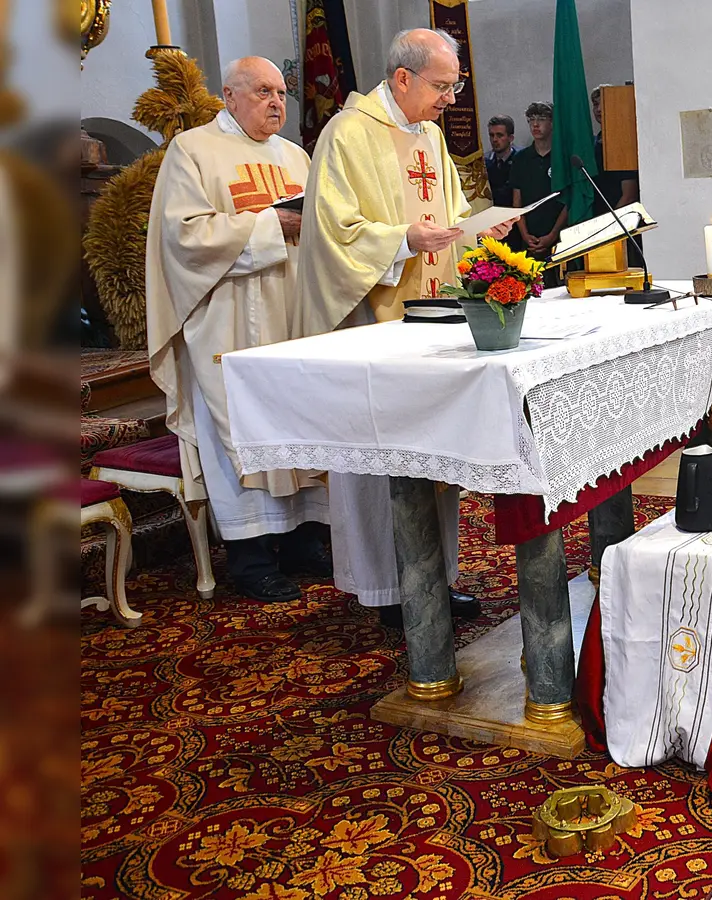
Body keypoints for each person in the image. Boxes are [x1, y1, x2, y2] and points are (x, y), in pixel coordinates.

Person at [293, 28, 514, 625]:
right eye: (443, 86)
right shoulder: (348, 134)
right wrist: (401, 240)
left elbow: (449, 213)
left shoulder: (431, 136)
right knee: (383, 448)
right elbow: (332, 230)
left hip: (434, 310)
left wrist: (477, 228)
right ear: (402, 78)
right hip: (377, 316)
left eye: (455, 84)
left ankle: (436, 579)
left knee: (432, 446)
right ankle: (389, 589)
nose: (450, 97)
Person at [145, 57, 331, 603]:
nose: (276, 102)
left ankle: (302, 542)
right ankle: (250, 557)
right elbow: (185, 235)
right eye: (262, 92)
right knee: (242, 433)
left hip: (293, 314)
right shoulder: (193, 151)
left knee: (297, 425)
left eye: (281, 93)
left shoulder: (295, 155)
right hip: (230, 318)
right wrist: (277, 224)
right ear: (229, 94)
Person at [510, 101, 567, 269]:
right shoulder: (521, 158)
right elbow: (516, 203)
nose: (535, 124)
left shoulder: (562, 158)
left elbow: (569, 201)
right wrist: (525, 235)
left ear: (552, 123)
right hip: (528, 236)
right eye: (531, 119)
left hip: (558, 235)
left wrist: (552, 235)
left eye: (541, 119)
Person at [590, 85, 642, 266]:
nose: (598, 109)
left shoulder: (623, 141)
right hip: (595, 220)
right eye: (595, 104)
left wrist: (609, 224)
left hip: (621, 222)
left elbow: (629, 194)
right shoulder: (593, 142)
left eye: (603, 103)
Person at [484, 114, 517, 210]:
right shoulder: (485, 162)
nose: (494, 139)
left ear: (510, 138)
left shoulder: (519, 161)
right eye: (491, 135)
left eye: (499, 135)